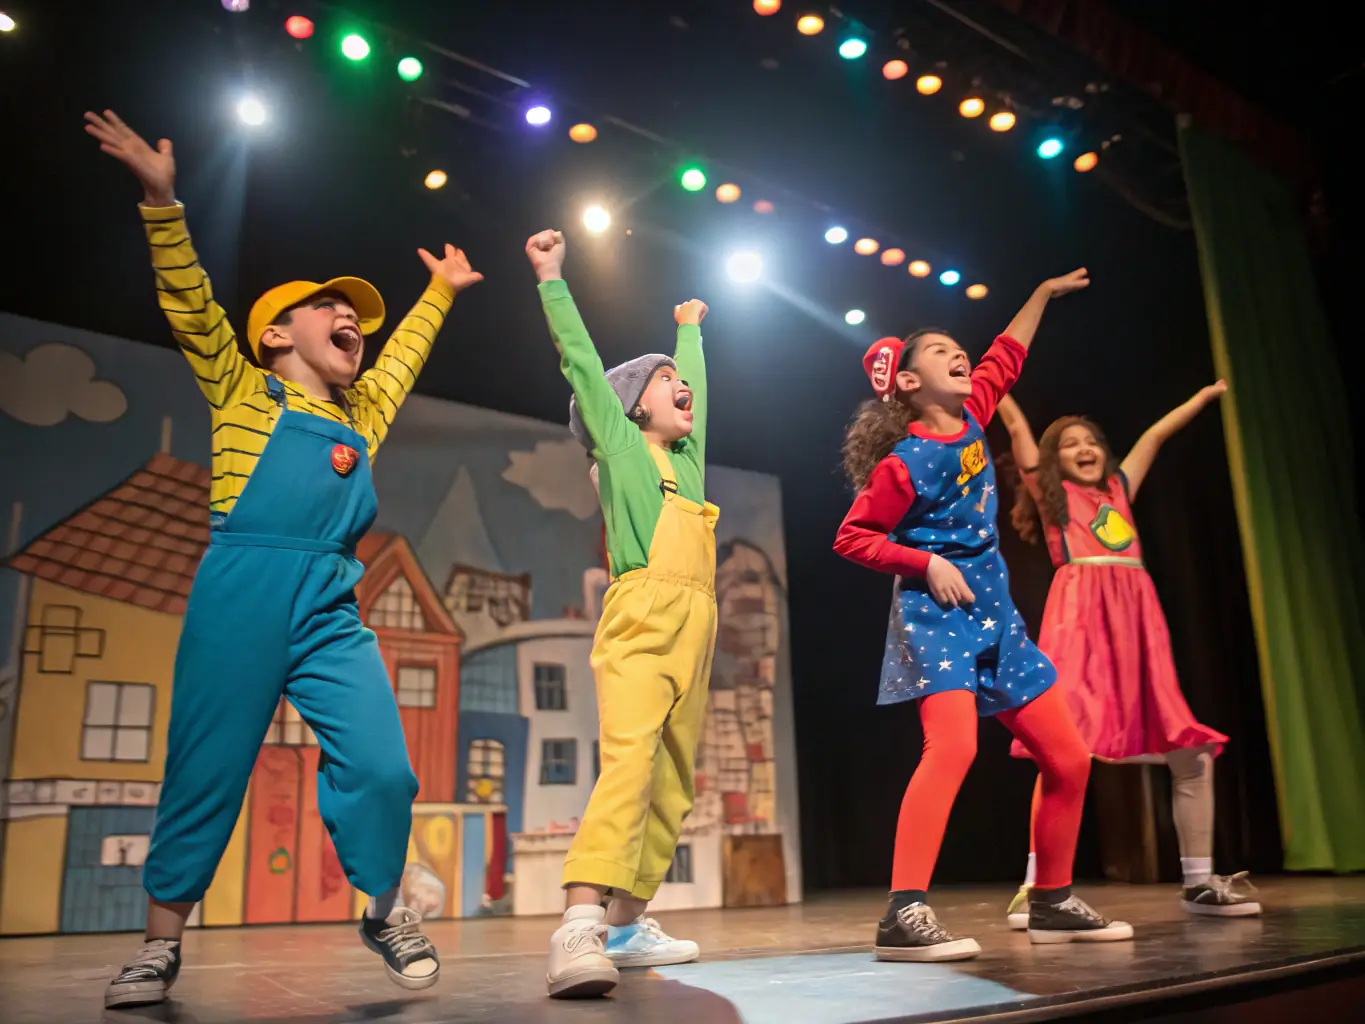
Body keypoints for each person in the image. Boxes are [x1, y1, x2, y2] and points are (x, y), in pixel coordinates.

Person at [84, 109, 484, 1009]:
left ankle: (383, 912)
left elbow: (402, 360)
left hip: (329, 600)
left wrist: (439, 295)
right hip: (244, 588)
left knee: (384, 767)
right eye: (327, 308)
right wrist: (163, 205)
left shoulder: (360, 416)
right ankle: (157, 946)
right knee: (207, 765)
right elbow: (190, 304)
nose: (351, 319)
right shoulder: (242, 392)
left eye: (356, 316)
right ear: (274, 335)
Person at [834, 270, 1133, 960]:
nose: (959, 355)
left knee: (1068, 758)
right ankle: (902, 913)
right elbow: (852, 537)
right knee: (954, 748)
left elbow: (1007, 352)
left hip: (998, 619)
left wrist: (1042, 293)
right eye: (940, 352)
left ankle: (1051, 900)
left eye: (957, 348)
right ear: (909, 383)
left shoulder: (974, 414)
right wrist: (924, 563)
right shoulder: (904, 464)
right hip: (936, 616)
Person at [524, 229, 716, 998]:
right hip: (641, 621)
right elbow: (580, 362)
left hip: (695, 630)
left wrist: (688, 333)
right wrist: (551, 278)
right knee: (629, 765)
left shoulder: (687, 465)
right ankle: (578, 924)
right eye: (667, 382)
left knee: (673, 784)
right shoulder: (623, 449)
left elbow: (700, 394)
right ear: (633, 406)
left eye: (683, 381)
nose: (683, 388)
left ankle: (629, 925)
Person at [996, 384, 1261, 924]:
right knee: (1060, 754)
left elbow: (1156, 435)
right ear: (1053, 462)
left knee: (1193, 756)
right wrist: (992, 385)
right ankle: (1037, 886)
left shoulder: (1119, 488)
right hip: (1080, 626)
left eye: (1091, 441)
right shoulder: (1054, 497)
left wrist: (1205, 397)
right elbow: (1018, 430)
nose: (1085, 448)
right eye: (1070, 444)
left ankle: (1199, 883)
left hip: (1137, 632)